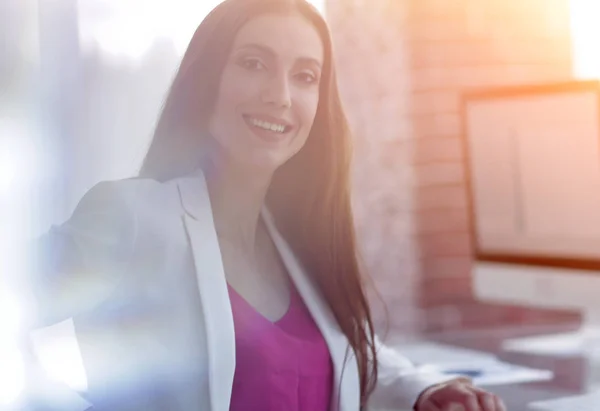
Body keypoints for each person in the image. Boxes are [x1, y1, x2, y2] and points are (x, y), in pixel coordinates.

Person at [27, 0, 507, 410]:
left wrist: (422, 388)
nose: (279, 96)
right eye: (253, 63)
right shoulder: (132, 217)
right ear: (208, 75)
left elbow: (336, 351)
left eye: (304, 76)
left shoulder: (295, 236)